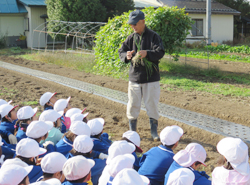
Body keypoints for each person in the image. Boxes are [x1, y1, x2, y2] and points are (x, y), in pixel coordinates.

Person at [118, 10, 165, 141]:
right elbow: (121, 51)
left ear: (143, 22)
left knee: (152, 104)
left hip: (151, 79)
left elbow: (160, 52)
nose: (133, 27)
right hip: (135, 78)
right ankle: (133, 131)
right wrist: (126, 56)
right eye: (131, 25)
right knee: (133, 104)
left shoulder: (154, 36)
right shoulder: (131, 38)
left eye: (135, 24)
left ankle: (154, 132)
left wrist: (147, 53)